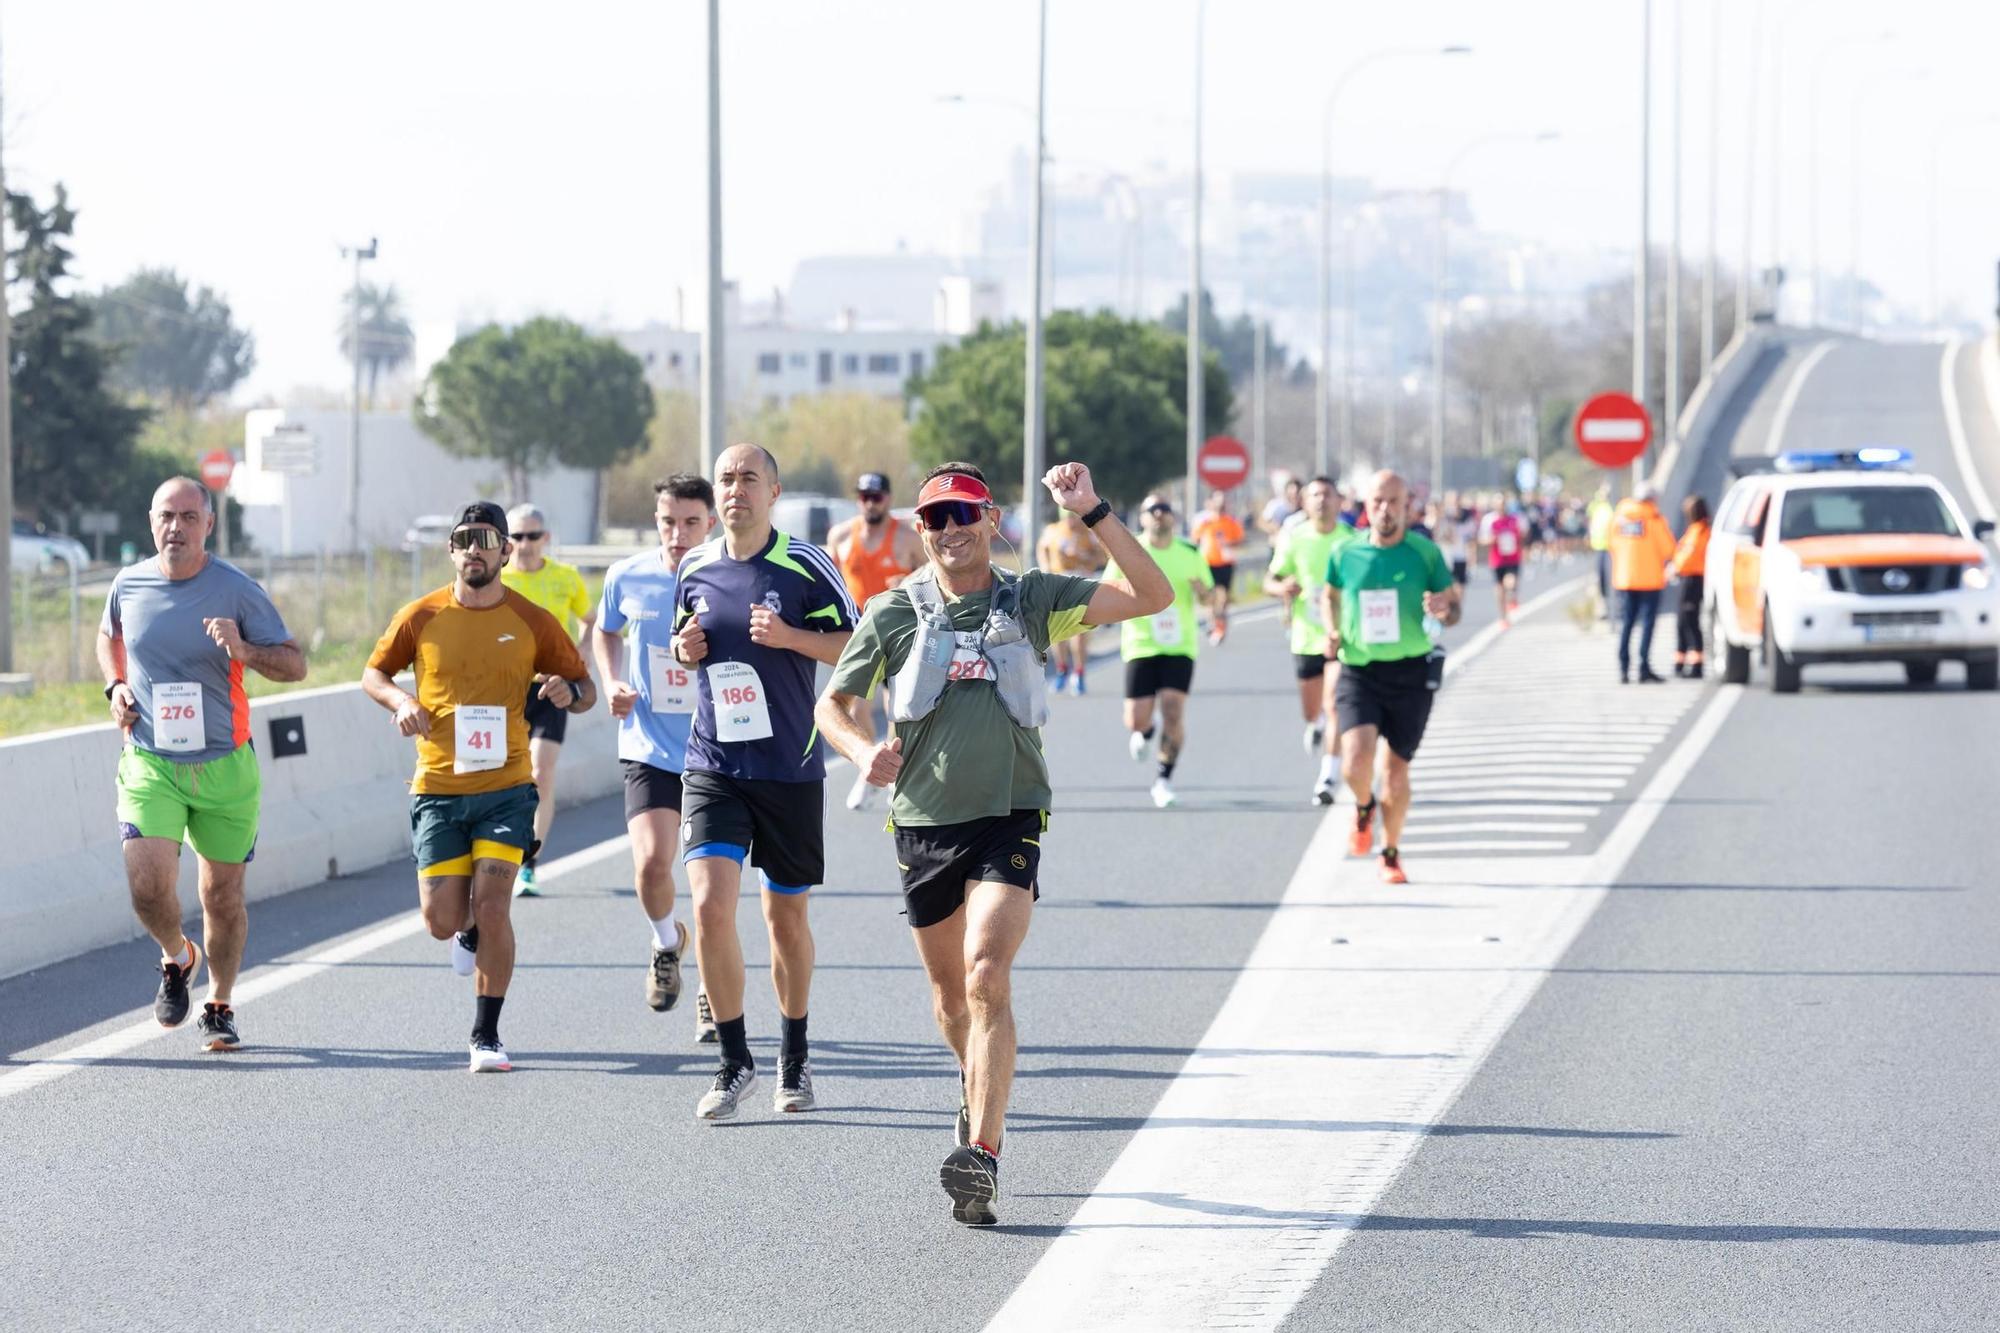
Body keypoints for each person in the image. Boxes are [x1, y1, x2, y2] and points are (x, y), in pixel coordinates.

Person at [815, 459, 1170, 1227]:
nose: (951, 530)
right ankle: (973, 1083)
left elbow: (1154, 594)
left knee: (985, 972)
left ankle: (983, 1152)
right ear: (921, 530)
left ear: (990, 521)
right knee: (951, 1002)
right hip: (922, 822)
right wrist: (858, 750)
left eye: (964, 514)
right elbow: (833, 704)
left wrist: (1093, 510)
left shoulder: (1034, 597)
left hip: (1010, 814)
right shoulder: (892, 611)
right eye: (936, 518)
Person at [363, 501, 596, 1073]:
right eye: (463, 539)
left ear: (505, 552)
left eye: (486, 539)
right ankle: (462, 931)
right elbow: (374, 674)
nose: (474, 548)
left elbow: (583, 685)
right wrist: (403, 701)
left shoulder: (532, 619)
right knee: (442, 919)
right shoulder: (421, 616)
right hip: (439, 787)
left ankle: (485, 1035)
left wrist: (571, 694)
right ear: (451, 550)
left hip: (508, 787)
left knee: (494, 906)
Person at [671, 443, 857, 1119]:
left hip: (789, 766)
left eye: (749, 477)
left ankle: (795, 1055)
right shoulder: (693, 564)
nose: (735, 489)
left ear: (774, 490)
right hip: (714, 764)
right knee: (710, 906)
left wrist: (790, 637)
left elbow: (858, 647)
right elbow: (683, 636)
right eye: (726, 478)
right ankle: (733, 1060)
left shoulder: (805, 564)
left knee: (785, 919)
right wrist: (680, 648)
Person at [97, 476, 306, 1052]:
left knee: (221, 897)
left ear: (208, 525)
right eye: (167, 516)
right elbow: (107, 637)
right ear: (151, 521)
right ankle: (175, 955)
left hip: (224, 767)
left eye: (189, 517)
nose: (176, 528)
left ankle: (219, 1002)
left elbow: (296, 665)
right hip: (150, 760)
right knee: (146, 885)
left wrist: (245, 651)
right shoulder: (128, 583)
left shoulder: (237, 591)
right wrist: (115, 684)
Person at [591, 474, 717, 1022]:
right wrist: (612, 681)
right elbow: (605, 630)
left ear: (710, 523)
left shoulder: (727, 577)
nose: (678, 533)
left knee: (710, 887)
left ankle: (716, 993)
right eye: (669, 521)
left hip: (717, 750)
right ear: (657, 522)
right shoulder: (628, 575)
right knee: (650, 867)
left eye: (691, 522)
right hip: (648, 743)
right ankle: (667, 943)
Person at [1322, 471, 1461, 885]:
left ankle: (1391, 852)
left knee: (1397, 772)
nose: (1385, 510)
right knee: (1355, 760)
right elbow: (1329, 594)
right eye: (1377, 502)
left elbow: (1453, 610)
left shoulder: (1425, 553)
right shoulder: (1344, 553)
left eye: (1393, 502)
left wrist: (1442, 609)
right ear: (1366, 506)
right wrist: (1331, 628)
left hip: (1410, 673)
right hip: (1359, 669)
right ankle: (1363, 807)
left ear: (1407, 507)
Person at [498, 503, 596, 896]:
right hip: (505, 691)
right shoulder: (498, 578)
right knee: (504, 776)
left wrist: (582, 653)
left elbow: (589, 619)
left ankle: (529, 863)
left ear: (546, 539)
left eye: (532, 536)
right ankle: (496, 855)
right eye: (517, 537)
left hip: (552, 687)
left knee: (541, 773)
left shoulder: (566, 578)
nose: (525, 545)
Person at [1109, 494, 1213, 808]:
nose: (1158, 514)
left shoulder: (1190, 553)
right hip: (1141, 643)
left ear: (1174, 518)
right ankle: (1145, 729)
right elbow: (1109, 590)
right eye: (1151, 510)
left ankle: (1164, 778)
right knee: (1135, 719)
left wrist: (1203, 592)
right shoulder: (1128, 551)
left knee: (1173, 709)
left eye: (1165, 509)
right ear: (1142, 518)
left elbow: (1210, 598)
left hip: (1180, 643)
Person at [827, 471, 923, 811]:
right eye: (865, 496)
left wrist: (908, 580)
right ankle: (868, 765)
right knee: (855, 706)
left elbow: (934, 575)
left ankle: (895, 768)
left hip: (899, 632)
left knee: (895, 708)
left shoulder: (907, 538)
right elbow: (827, 583)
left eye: (877, 496)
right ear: (858, 499)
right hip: (858, 635)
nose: (871, 502)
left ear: (888, 498)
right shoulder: (840, 536)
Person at [1262, 476, 1356, 804]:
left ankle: (1327, 778)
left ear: (1339, 501)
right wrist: (1282, 588)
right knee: (1312, 709)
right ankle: (1313, 724)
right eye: (1314, 495)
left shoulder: (1352, 540)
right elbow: (1269, 581)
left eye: (1327, 494)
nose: (1321, 501)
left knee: (1335, 706)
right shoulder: (1295, 538)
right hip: (1305, 636)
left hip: (1341, 636)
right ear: (1304, 502)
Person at [1609, 483, 1678, 684]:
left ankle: (1623, 668)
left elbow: (1611, 543)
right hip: (1649, 580)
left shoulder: (1619, 517)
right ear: (1652, 499)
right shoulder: (1653, 518)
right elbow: (1668, 549)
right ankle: (1643, 667)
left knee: (1627, 624)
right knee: (1647, 625)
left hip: (1624, 579)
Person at [1035, 506, 1106, 694]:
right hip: (1058, 583)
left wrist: (1083, 557)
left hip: (1081, 583)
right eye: (1067, 518)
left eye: (1073, 517)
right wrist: (1045, 567)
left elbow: (1101, 556)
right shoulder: (1053, 531)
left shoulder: (1088, 532)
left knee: (1080, 632)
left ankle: (1080, 672)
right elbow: (1042, 548)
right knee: (1057, 632)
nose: (1071, 522)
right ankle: (1062, 670)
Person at [1189, 489, 1242, 644]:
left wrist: (1228, 543)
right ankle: (1215, 625)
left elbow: (1239, 539)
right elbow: (1195, 540)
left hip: (1226, 563)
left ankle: (1221, 621)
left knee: (1224, 597)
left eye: (1223, 500)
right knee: (1212, 597)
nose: (1221, 503)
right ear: (1211, 503)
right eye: (1218, 500)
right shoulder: (1205, 522)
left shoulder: (1230, 522)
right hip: (1209, 564)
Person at [1672, 495, 1712, 678]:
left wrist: (1674, 568)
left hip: (1694, 580)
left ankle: (1696, 665)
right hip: (1690, 578)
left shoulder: (1700, 532)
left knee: (1690, 621)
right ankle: (1680, 662)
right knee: (1682, 622)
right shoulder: (1696, 530)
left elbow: (1687, 557)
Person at [1479, 499, 1525, 627]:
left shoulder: (1515, 518)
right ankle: (1503, 617)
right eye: (1499, 505)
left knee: (1510, 581)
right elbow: (1482, 539)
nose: (1501, 507)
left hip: (1513, 557)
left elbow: (1523, 534)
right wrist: (1492, 539)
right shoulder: (1489, 520)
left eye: (1503, 504)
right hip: (1497, 559)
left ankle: (1512, 597)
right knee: (1499, 589)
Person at [1587, 485, 1616, 619]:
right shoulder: (1595, 506)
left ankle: (1613, 605)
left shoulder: (1613, 506)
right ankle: (1602, 607)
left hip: (1612, 548)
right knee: (1600, 578)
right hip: (1599, 547)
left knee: (1611, 577)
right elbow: (1589, 520)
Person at [1257, 473, 1302, 538]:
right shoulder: (1276, 505)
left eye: (1296, 493)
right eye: (1291, 493)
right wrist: (1274, 529)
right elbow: (1261, 521)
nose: (1294, 496)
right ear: (1286, 492)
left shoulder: (1305, 508)